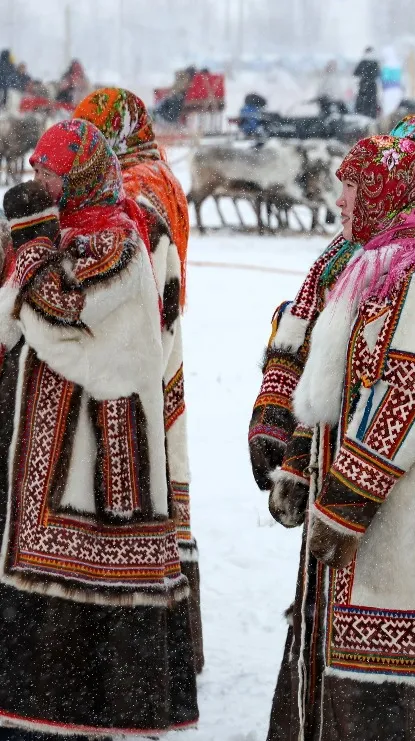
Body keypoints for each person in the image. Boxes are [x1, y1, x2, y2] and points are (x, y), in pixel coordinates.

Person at [262, 136, 415, 741]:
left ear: (388, 194)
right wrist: (300, 461)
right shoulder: (379, 266)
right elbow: (343, 394)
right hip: (381, 542)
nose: (340, 197)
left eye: (354, 185)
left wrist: (342, 507)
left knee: (404, 715)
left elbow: (413, 399)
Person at [0, 119, 197, 738]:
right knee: (52, 610)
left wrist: (29, 246)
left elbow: (56, 311)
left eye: (50, 173)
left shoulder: (114, 242)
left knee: (91, 605)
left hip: (98, 458)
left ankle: (76, 717)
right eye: (36, 172)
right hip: (58, 460)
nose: (40, 184)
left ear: (80, 176)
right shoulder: (69, 239)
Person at [73, 87, 202, 672]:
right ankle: (173, 638)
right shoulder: (159, 173)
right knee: (165, 471)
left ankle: (143, 647)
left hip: (139, 345)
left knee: (136, 482)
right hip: (162, 338)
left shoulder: (135, 187)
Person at [353, 47, 380, 118]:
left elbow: (355, 73)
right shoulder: (375, 62)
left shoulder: (363, 62)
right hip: (372, 86)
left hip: (364, 86)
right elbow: (378, 74)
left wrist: (364, 76)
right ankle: (371, 116)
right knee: (371, 103)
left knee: (362, 103)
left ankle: (362, 116)